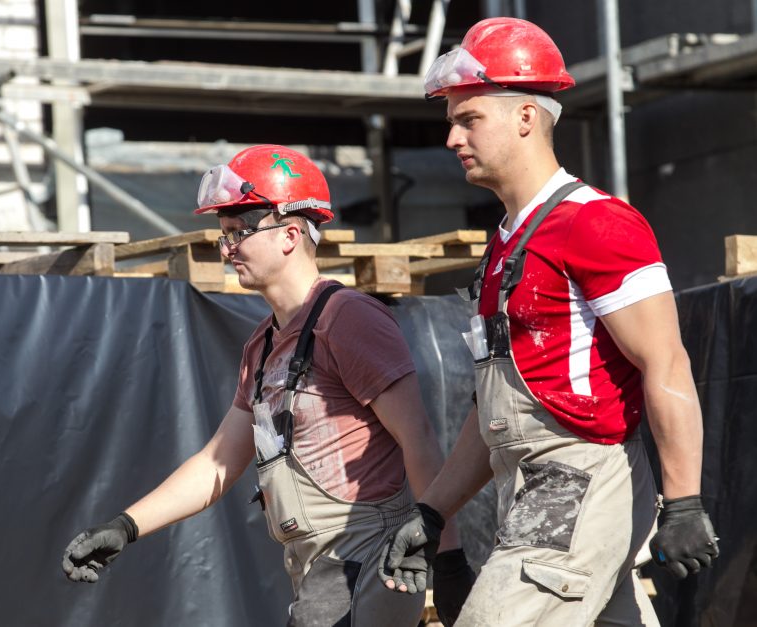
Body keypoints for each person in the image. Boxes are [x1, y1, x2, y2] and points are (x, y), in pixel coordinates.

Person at [378, 17, 719, 626]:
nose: (453, 139)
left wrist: (684, 500)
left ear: (526, 118)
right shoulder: (506, 245)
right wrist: (432, 512)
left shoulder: (596, 223)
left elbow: (665, 360)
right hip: (530, 487)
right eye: (451, 122)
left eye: (468, 118)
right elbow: (494, 412)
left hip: (580, 477)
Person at [61, 144, 475, 626]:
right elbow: (217, 464)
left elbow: (418, 440)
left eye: (240, 232)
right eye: (223, 234)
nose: (227, 247)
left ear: (290, 234)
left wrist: (447, 561)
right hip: (316, 565)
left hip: (365, 559)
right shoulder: (263, 345)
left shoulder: (348, 319)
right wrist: (125, 527)